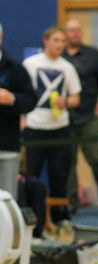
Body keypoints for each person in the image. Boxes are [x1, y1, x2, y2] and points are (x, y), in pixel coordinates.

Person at [22, 27, 81, 223]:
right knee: (31, 176)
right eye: (55, 40)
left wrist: (66, 101)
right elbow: (23, 94)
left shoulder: (68, 67)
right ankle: (31, 219)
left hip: (60, 130)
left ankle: (60, 220)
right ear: (46, 40)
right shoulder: (30, 64)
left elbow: (76, 98)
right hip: (34, 128)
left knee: (59, 177)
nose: (59, 45)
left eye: (62, 41)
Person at [62, 19, 98, 211]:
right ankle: (71, 204)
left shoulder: (94, 55)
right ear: (65, 33)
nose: (75, 33)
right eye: (71, 30)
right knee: (68, 163)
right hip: (65, 118)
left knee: (97, 160)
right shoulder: (60, 57)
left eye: (78, 30)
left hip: (90, 116)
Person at [0, 21, 38, 200]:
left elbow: (31, 101)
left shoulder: (15, 68)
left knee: (7, 198)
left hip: (6, 144)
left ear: (1, 39)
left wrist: (12, 99)